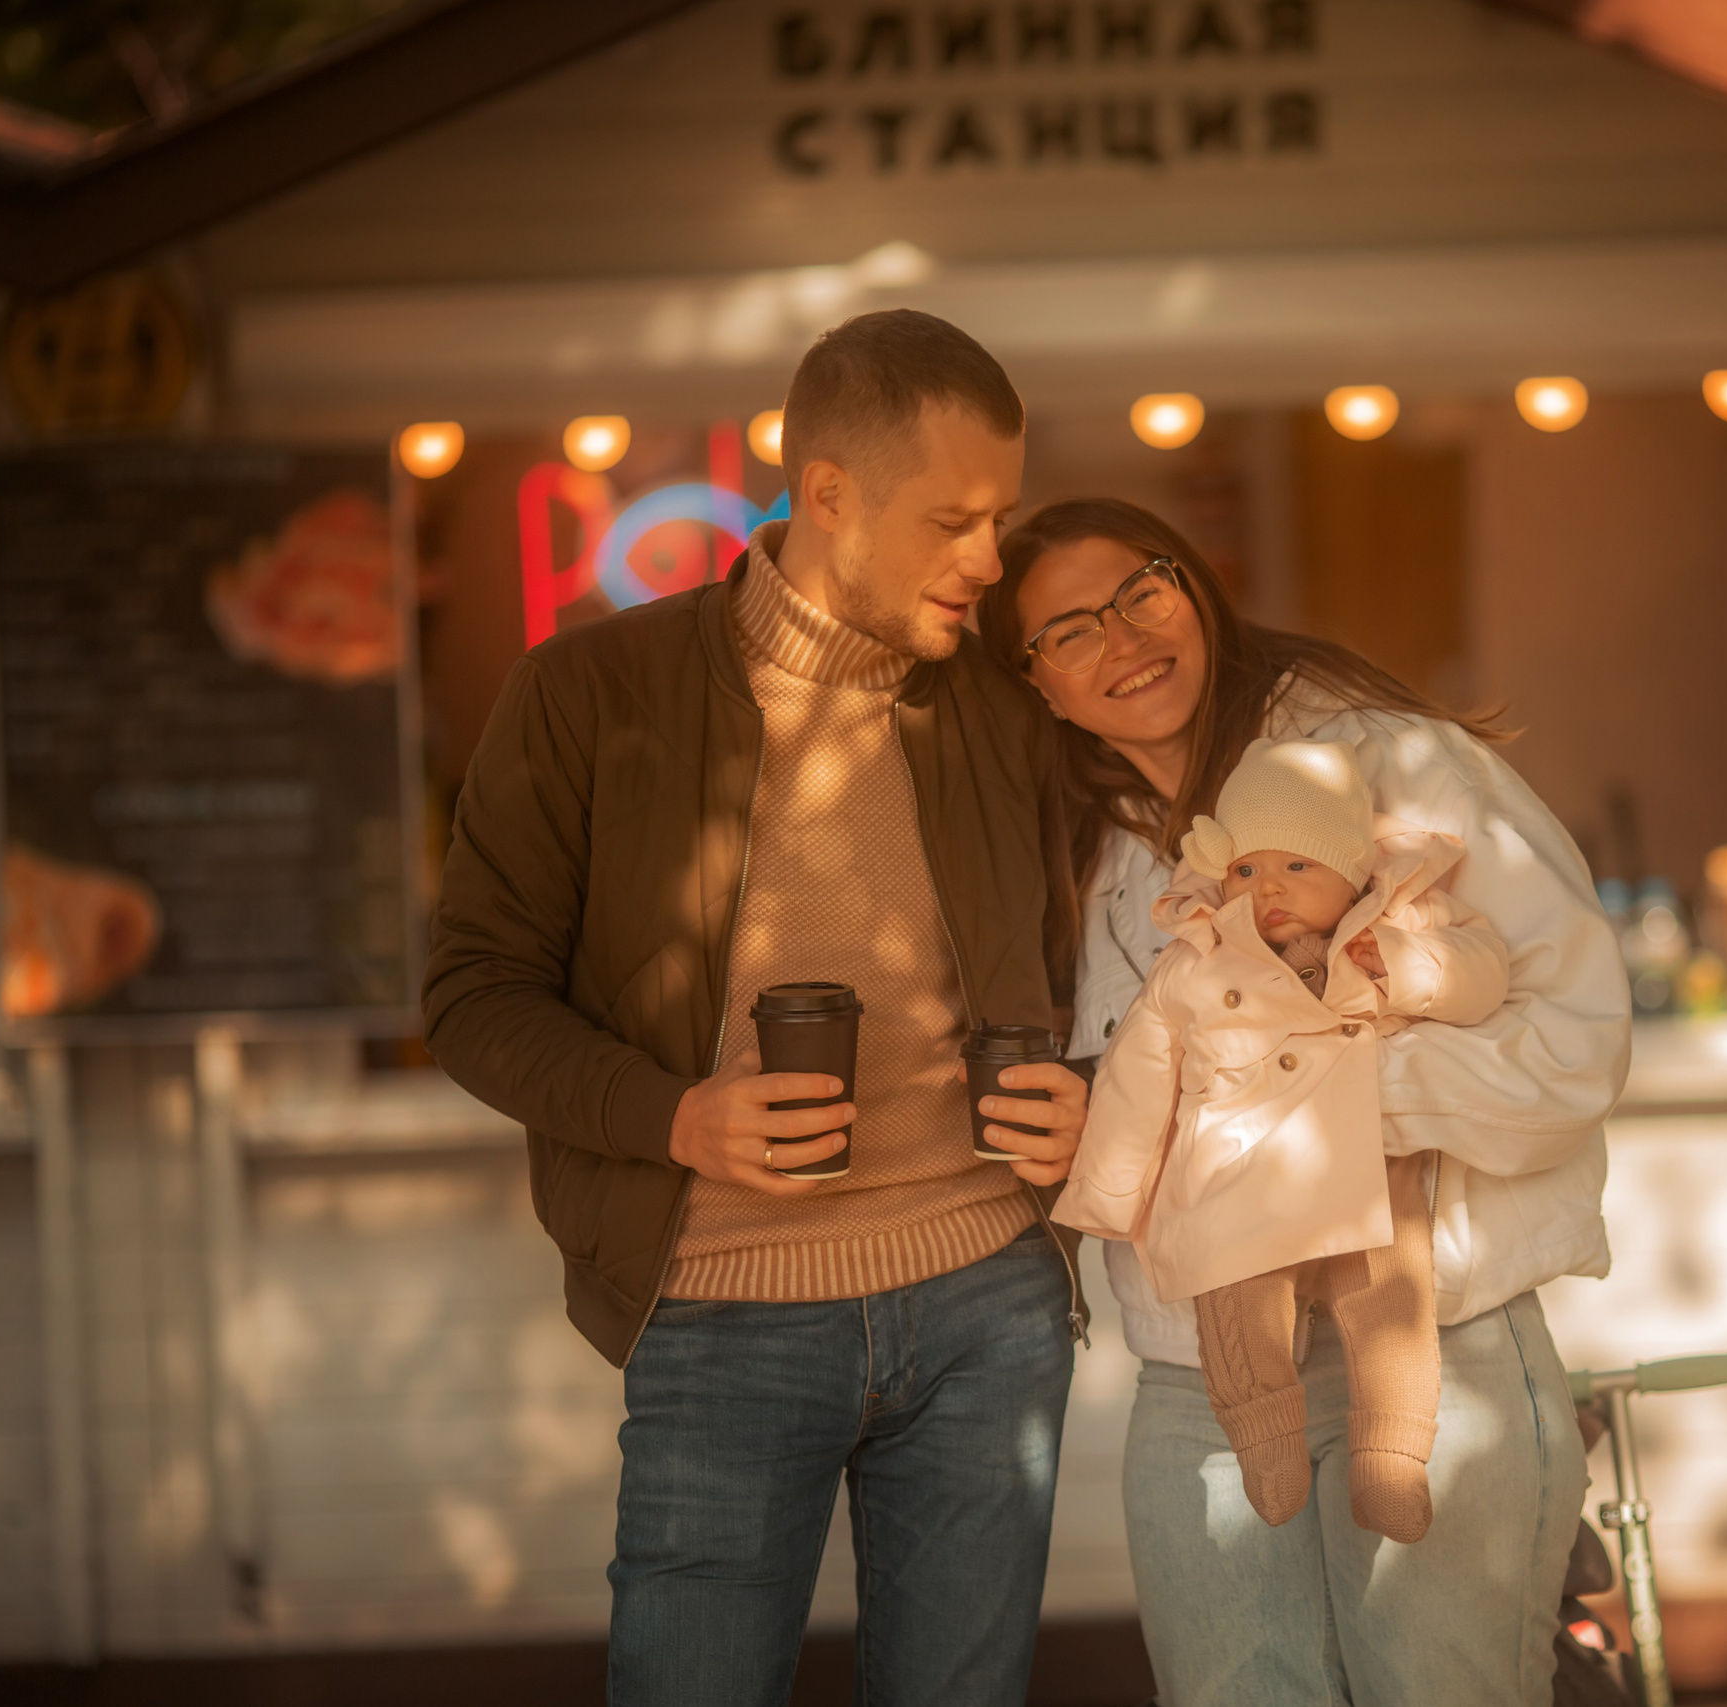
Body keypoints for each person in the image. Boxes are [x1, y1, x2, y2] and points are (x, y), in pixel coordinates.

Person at [423, 310, 1089, 1707]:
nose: (990, 560)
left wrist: (1090, 1085)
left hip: (985, 1302)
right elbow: (472, 994)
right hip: (720, 1314)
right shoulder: (588, 695)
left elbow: (1115, 929)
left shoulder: (1003, 707)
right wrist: (675, 1116)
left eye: (1003, 517)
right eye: (953, 520)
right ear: (829, 495)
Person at [979, 498, 1631, 1705]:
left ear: (1199, 589)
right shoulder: (1080, 854)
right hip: (1200, 1378)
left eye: (1139, 591)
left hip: (1437, 1349)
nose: (1120, 639)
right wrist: (1096, 1126)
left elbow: (1577, 1044)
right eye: (1066, 632)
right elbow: (1142, 1099)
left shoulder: (1393, 767)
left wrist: (1304, 1109)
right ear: (1036, 686)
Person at [1056, 736, 1511, 1546]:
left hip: (1363, 1171)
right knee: (1235, 1305)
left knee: (1392, 1300)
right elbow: (1136, 1074)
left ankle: (1391, 1457)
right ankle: (1267, 1450)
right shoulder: (1196, 958)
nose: (1267, 888)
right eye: (1245, 870)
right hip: (1239, 1171)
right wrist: (1111, 1192)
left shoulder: (1399, 922)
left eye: (1297, 866)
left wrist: (1406, 964)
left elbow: (1485, 972)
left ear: (1352, 871)